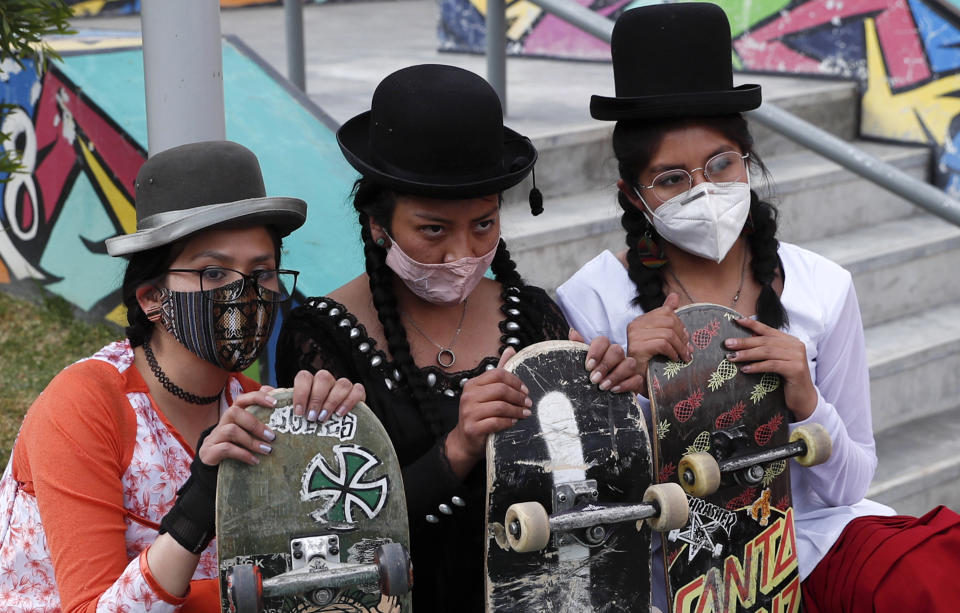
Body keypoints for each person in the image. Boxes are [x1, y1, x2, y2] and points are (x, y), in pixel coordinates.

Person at [556, 4, 960, 612]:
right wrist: (630, 398)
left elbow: (849, 485)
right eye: (671, 178)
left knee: (929, 578)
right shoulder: (591, 299)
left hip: (811, 548)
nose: (704, 189)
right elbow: (593, 510)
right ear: (633, 195)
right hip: (680, 574)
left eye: (721, 164)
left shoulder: (822, 286)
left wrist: (806, 400)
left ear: (748, 158)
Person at [274, 64, 640, 612]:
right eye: (433, 229)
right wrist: (460, 447)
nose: (462, 253)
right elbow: (332, 529)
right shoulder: (320, 340)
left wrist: (614, 404)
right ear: (377, 224)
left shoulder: (534, 315)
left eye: (484, 224)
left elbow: (601, 495)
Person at [0, 141, 365, 612]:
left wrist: (329, 442)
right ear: (152, 298)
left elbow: (316, 586)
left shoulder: (257, 409)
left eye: (263, 271)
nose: (244, 293)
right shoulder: (85, 406)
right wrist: (198, 506)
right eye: (213, 272)